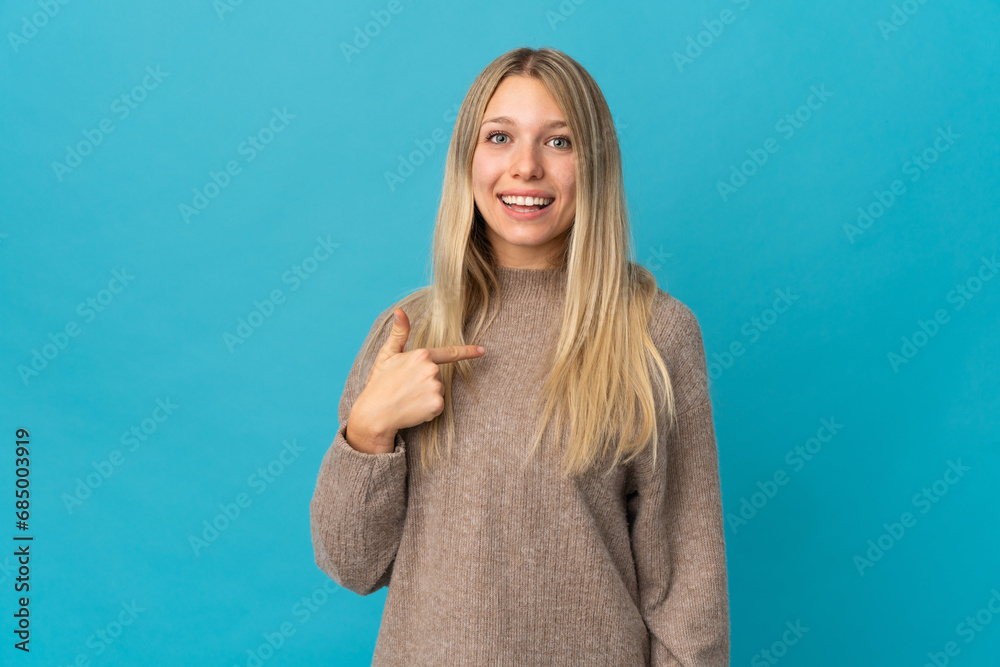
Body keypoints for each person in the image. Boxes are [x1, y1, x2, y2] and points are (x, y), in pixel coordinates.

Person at [310, 46, 729, 666]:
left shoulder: (654, 332)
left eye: (559, 142)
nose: (526, 167)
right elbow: (351, 565)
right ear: (468, 159)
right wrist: (368, 432)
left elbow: (688, 590)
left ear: (595, 164)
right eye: (499, 137)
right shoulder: (408, 332)